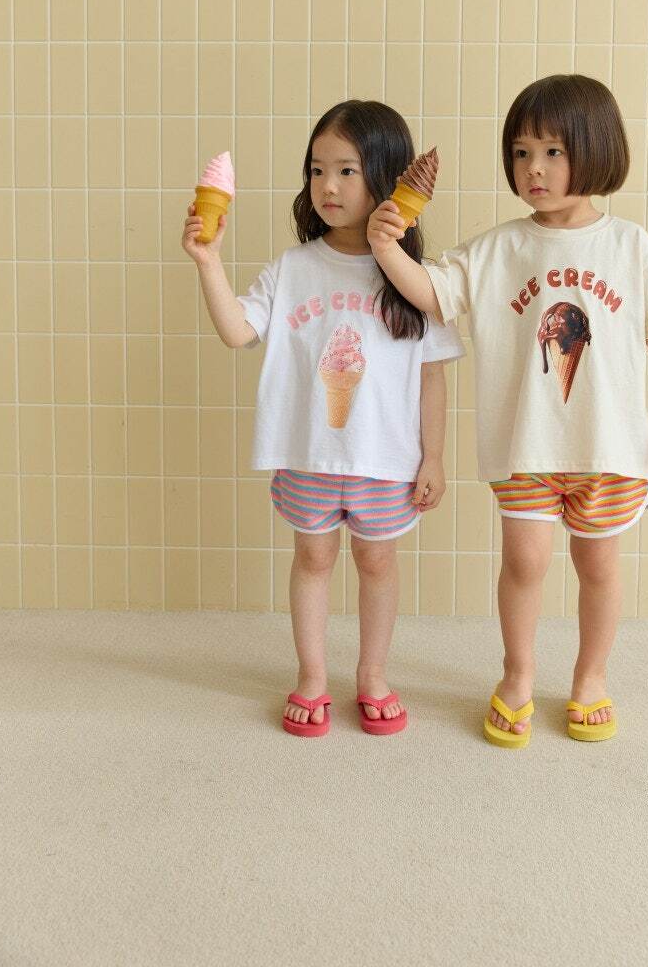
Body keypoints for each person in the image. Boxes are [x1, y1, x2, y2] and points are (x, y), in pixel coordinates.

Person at [367, 74, 648, 747]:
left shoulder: (629, 245)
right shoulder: (499, 248)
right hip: (526, 446)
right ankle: (517, 674)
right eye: (521, 153)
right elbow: (432, 293)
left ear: (596, 151)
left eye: (552, 152)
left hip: (608, 446)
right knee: (524, 562)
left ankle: (590, 677)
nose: (534, 169)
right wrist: (385, 246)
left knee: (598, 566)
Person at [182, 100, 464, 737]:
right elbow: (237, 331)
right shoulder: (294, 268)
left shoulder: (415, 281)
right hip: (308, 453)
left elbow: (432, 375)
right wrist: (208, 262)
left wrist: (434, 457)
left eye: (346, 170)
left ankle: (372, 674)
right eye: (317, 169)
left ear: (387, 176)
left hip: (385, 459)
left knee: (378, 564)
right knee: (312, 559)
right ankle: (312, 675)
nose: (328, 186)